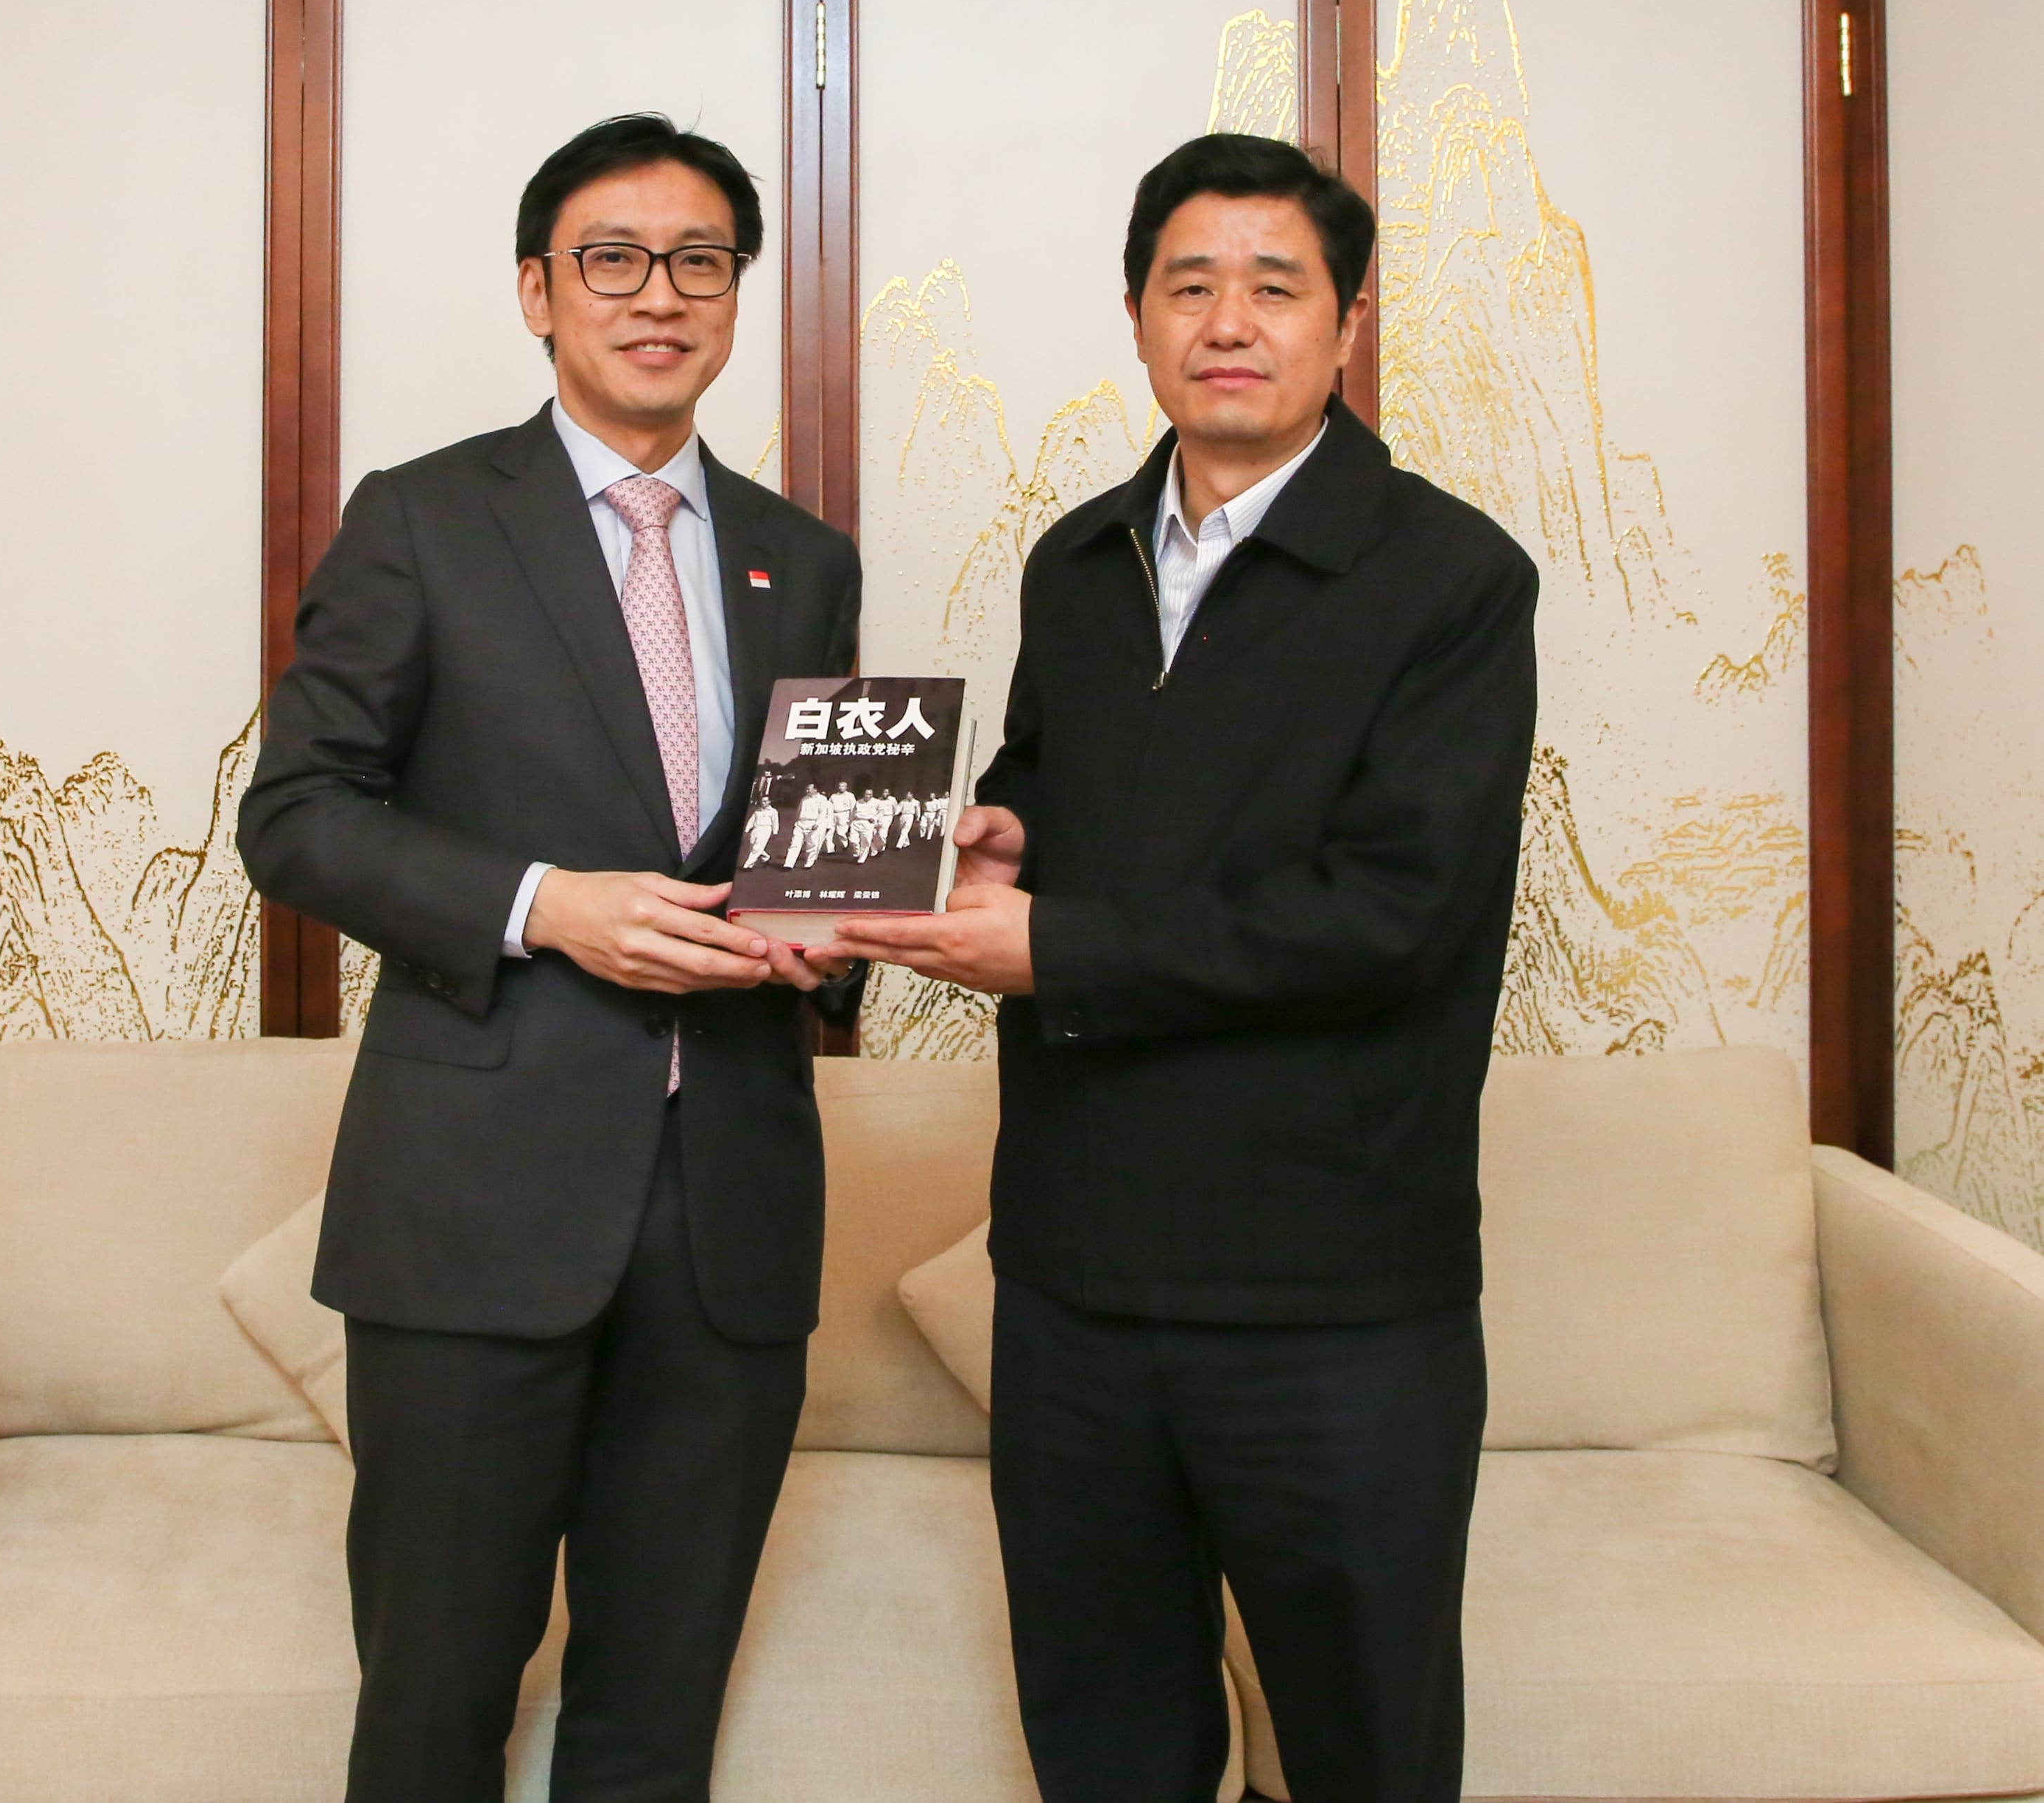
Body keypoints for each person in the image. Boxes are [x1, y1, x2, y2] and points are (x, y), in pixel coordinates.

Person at [838, 133, 1538, 1803]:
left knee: (1366, 1756)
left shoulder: (1451, 580)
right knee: (1104, 1748)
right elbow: (1062, 779)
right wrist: (1000, 836)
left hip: (1337, 1302)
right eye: (1190, 284)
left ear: (1349, 323)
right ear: (1140, 317)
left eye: (1276, 286)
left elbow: (1397, 912)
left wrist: (1057, 940)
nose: (1229, 320)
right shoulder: (1076, 562)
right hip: (1076, 1284)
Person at [239, 112, 862, 1803]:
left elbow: (801, 871)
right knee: (438, 1697)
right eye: (611, 259)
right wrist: (543, 902)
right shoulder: (426, 520)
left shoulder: (801, 560)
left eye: (700, 262)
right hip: (475, 1212)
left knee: (658, 1713)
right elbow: (295, 816)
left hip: (729, 1211)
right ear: (538, 290)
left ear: (736, 297)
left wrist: (856, 920)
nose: (656, 296)